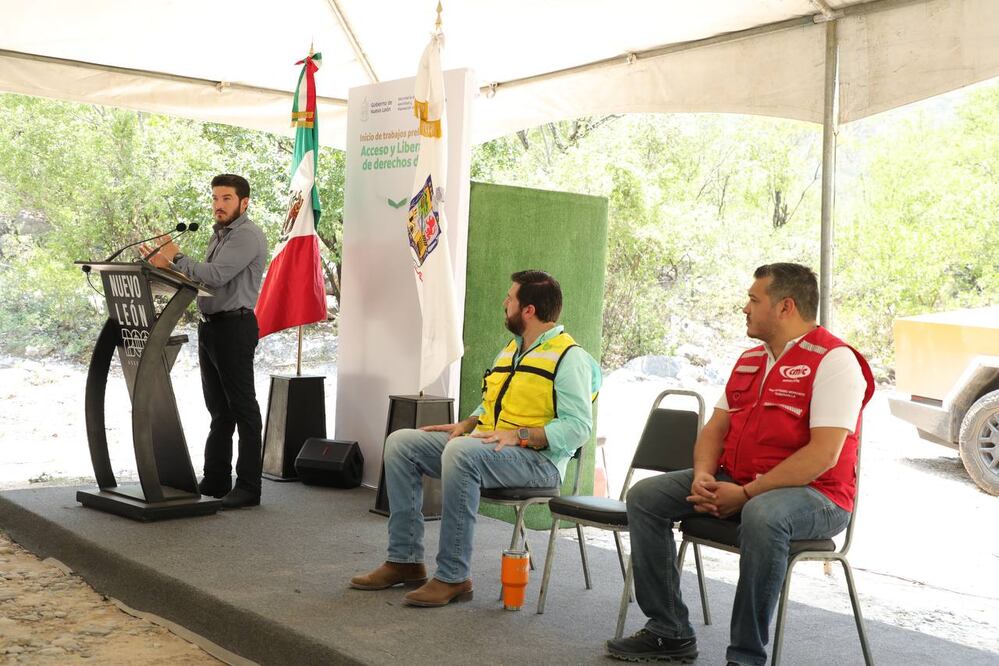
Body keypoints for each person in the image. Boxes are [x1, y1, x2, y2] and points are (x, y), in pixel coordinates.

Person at [607, 263, 874, 665]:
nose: (744, 308)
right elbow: (715, 430)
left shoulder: (835, 361)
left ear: (785, 307)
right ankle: (669, 631)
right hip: (740, 481)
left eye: (753, 299)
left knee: (764, 515)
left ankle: (745, 657)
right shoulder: (751, 360)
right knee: (646, 496)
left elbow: (823, 455)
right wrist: (702, 475)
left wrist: (746, 494)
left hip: (817, 496)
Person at [350, 270, 601, 607]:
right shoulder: (511, 350)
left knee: (461, 454)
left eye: (510, 298)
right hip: (490, 447)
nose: (505, 303)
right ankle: (405, 561)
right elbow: (491, 403)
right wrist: (467, 424)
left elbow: (578, 427)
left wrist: (520, 435)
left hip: (539, 463)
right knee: (401, 443)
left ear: (528, 310)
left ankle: (454, 577)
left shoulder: (571, 359)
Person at [141, 174, 269, 509]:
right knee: (219, 410)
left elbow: (214, 276)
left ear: (244, 203)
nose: (218, 206)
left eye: (226, 199)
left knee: (243, 408)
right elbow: (201, 282)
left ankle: (249, 487)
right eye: (214, 198)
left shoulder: (248, 236)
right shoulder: (220, 236)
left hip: (235, 328)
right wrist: (163, 266)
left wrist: (177, 255)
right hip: (211, 327)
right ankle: (215, 479)